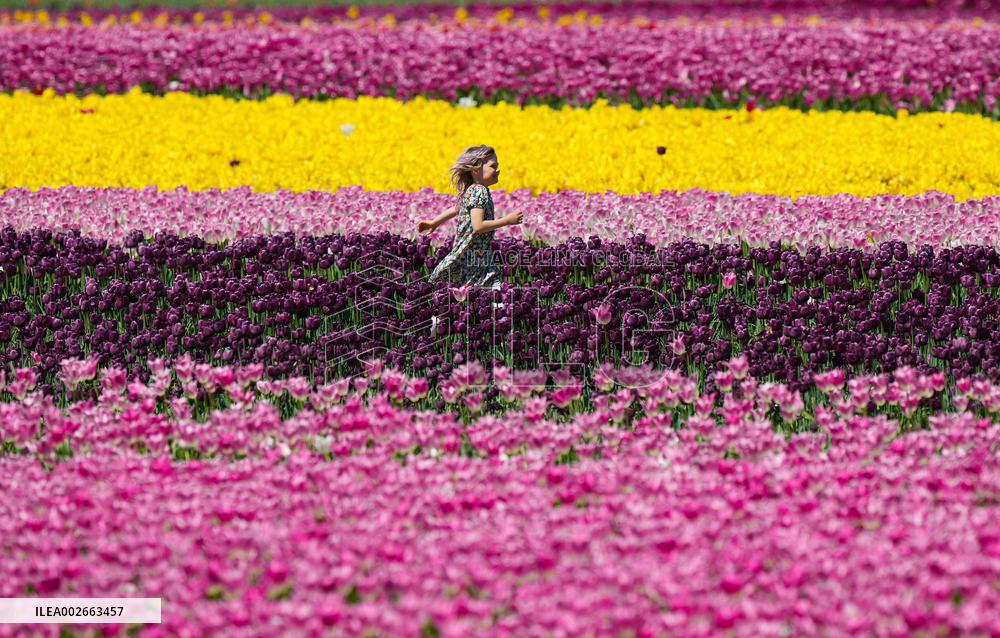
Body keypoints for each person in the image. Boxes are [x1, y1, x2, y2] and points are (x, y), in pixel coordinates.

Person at [416, 145, 524, 289]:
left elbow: (457, 208)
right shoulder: (479, 191)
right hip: (473, 254)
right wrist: (506, 221)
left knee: (471, 288)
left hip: (474, 254)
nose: (498, 170)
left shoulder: (472, 190)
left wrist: (434, 222)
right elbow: (478, 226)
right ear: (476, 169)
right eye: (493, 166)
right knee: (487, 287)